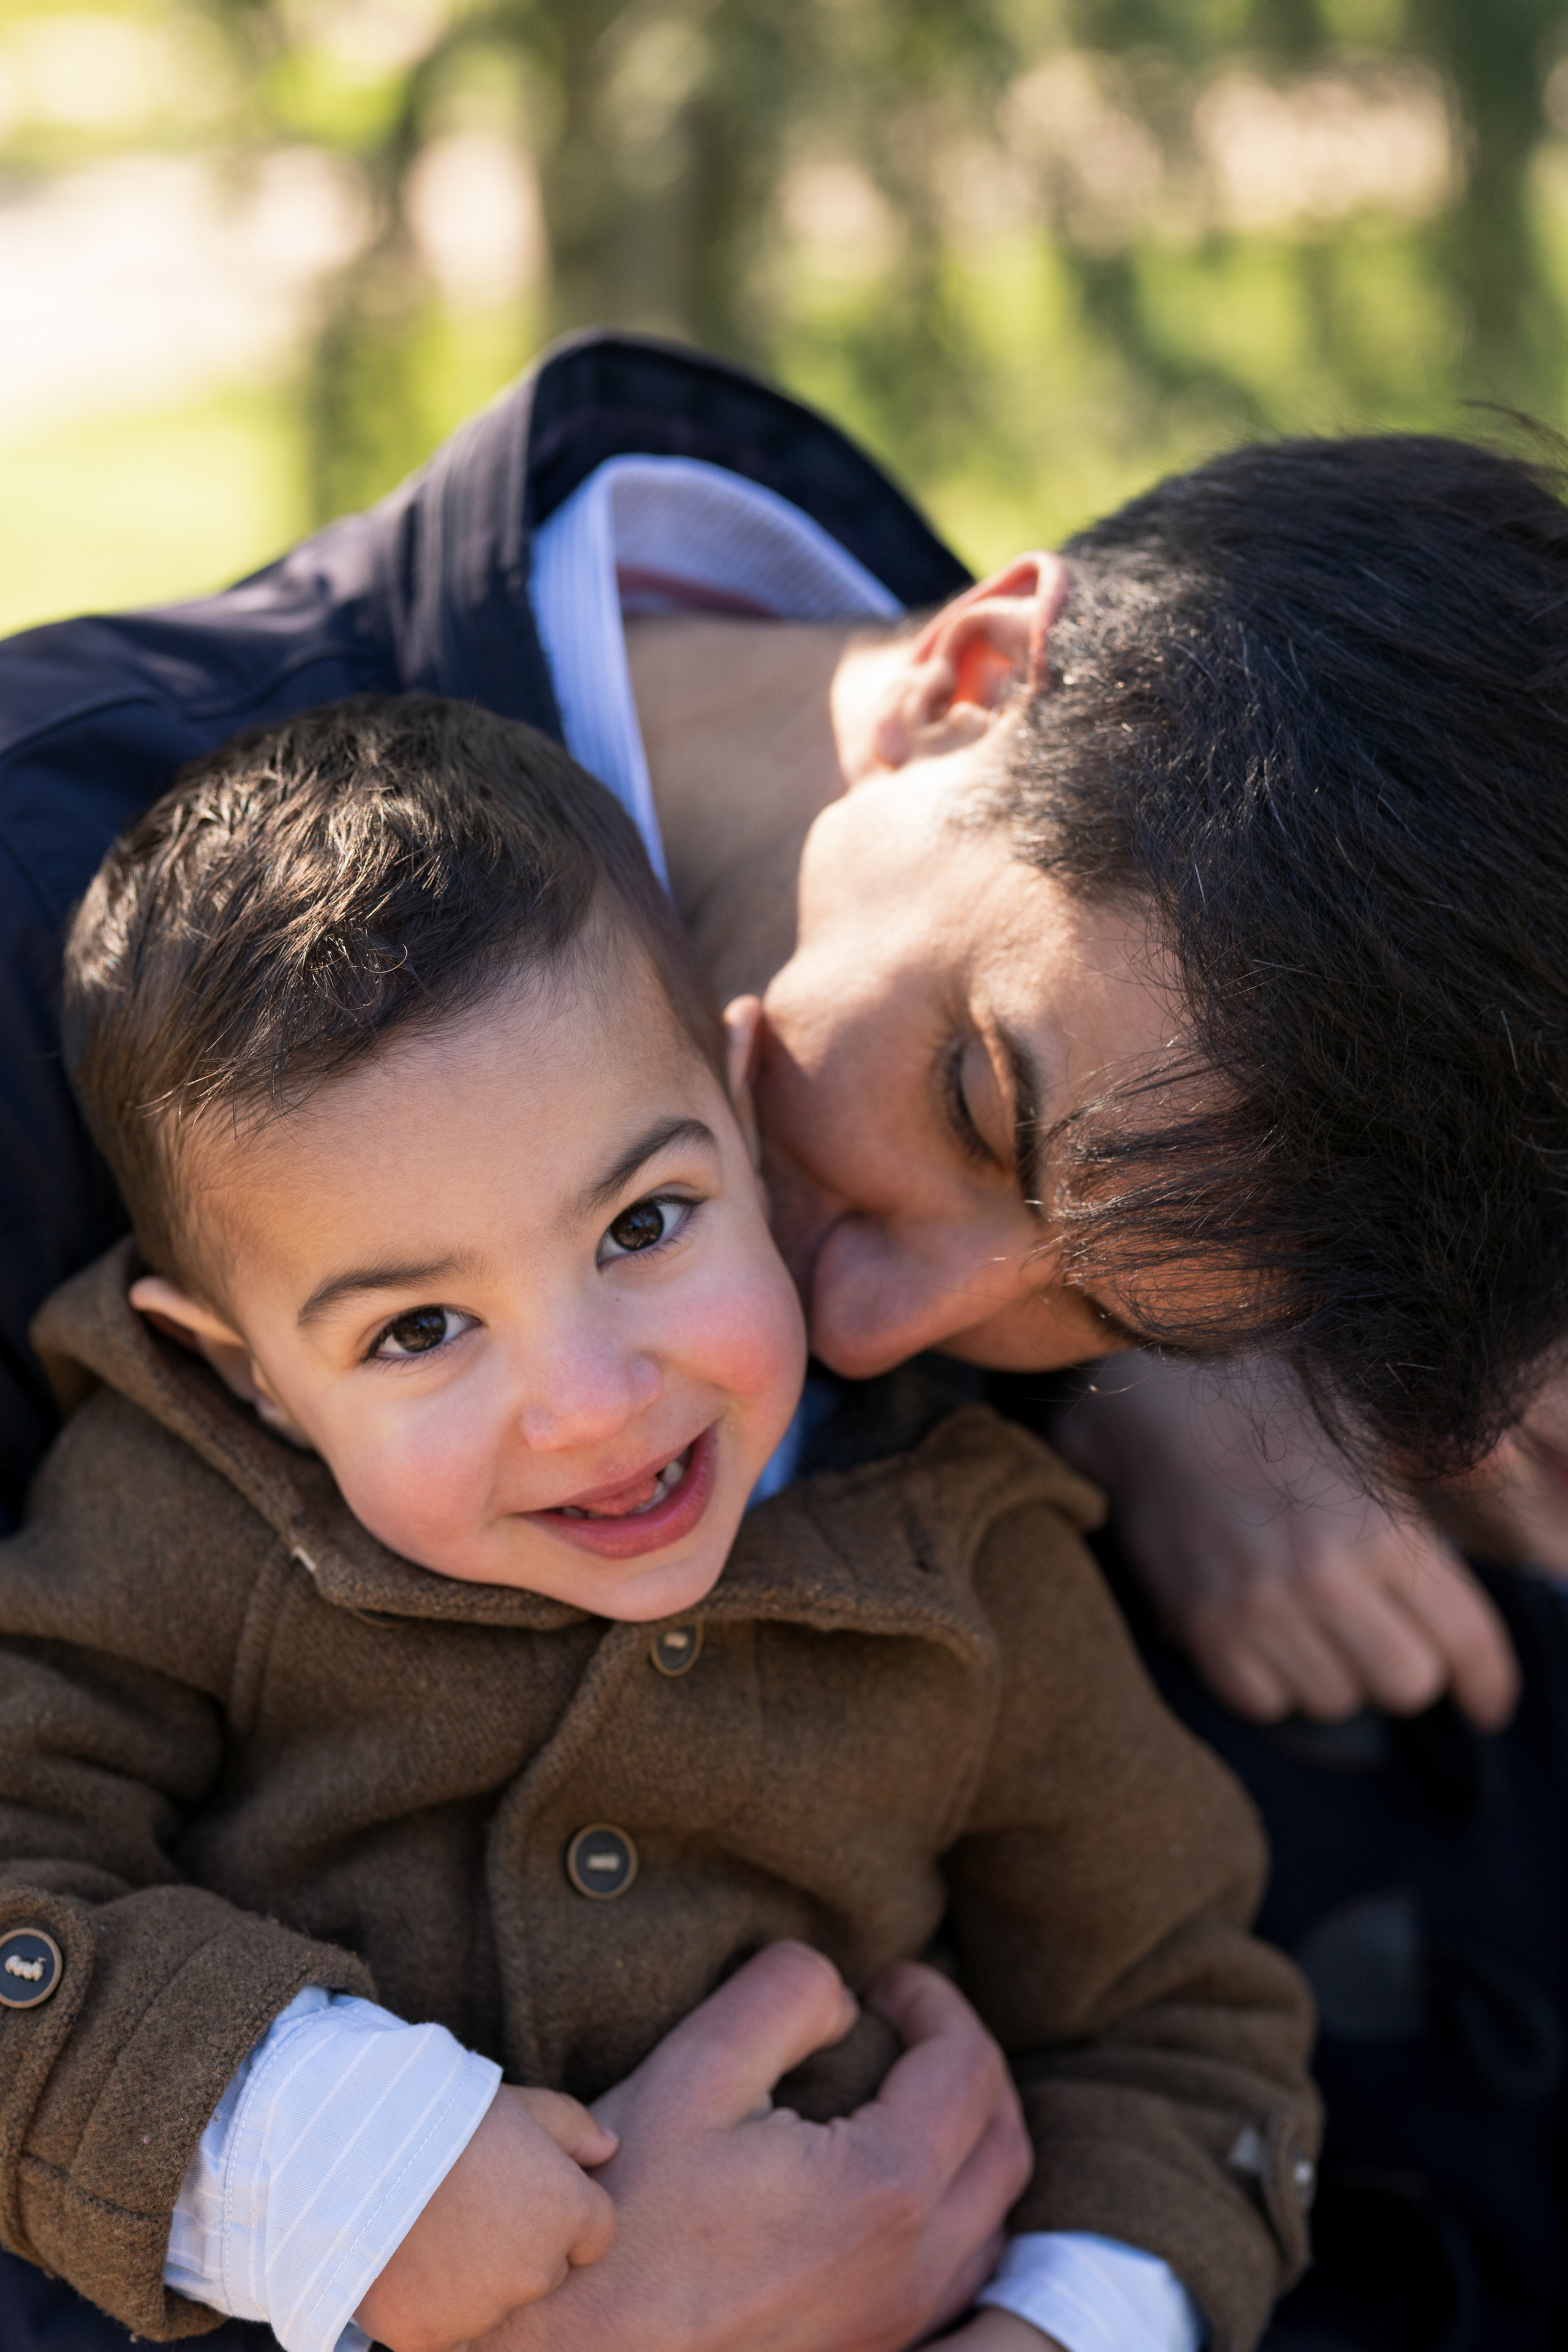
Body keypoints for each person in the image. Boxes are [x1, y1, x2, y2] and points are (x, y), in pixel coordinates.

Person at [6, 328, 1568, 2338]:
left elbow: (1185, 2030)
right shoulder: (41, 915)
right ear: (976, 677)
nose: (865, 1318)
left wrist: (1203, 1357)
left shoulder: (1205, 1091)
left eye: (1100, 1301)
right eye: (979, 1107)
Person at [0, 693, 1317, 2352]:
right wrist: (318, 2145)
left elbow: (1184, 2023)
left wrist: (1063, 2323)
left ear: (754, 1141)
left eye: (644, 1222)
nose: (596, 1401)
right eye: (417, 1331)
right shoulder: (189, 1526)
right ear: (252, 1377)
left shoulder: (969, 1573)